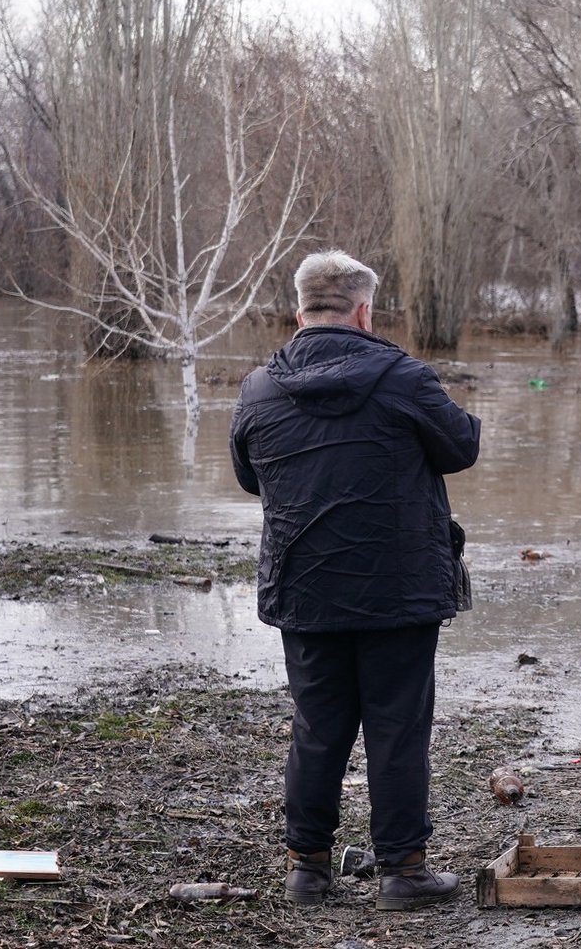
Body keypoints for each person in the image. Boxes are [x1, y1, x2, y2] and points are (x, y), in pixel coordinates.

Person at [229, 250, 481, 910]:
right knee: (398, 729)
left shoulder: (259, 388)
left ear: (300, 310)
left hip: (305, 590)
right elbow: (463, 447)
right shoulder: (405, 378)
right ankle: (403, 873)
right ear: (365, 310)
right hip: (398, 595)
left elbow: (249, 475)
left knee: (317, 726)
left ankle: (307, 869)